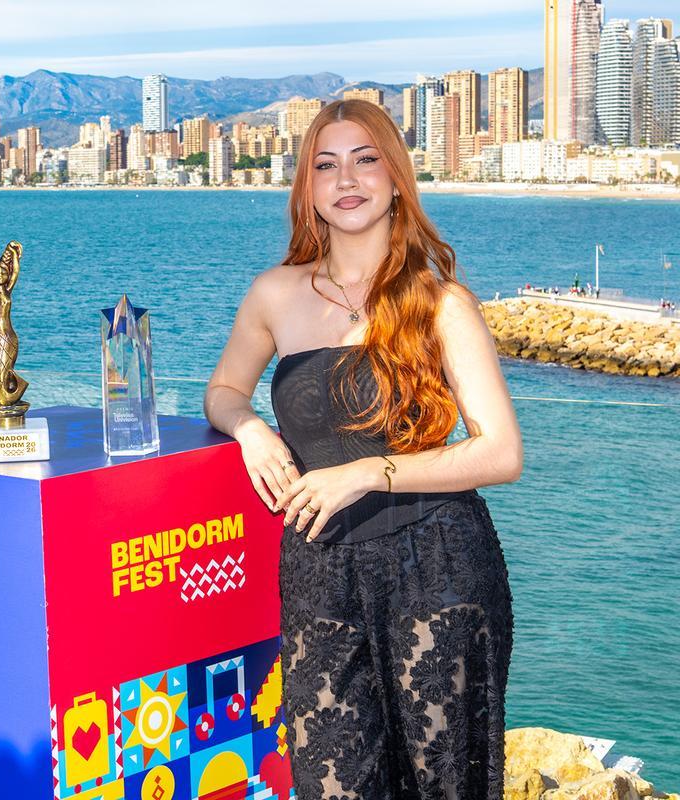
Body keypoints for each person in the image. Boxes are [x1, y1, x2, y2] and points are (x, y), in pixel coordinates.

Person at [204, 99, 521, 798]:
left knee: (447, 784)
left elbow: (500, 452)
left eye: (365, 159)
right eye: (326, 164)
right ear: (307, 188)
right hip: (317, 571)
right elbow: (224, 388)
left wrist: (367, 473)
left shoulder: (442, 303)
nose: (346, 178)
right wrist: (251, 428)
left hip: (436, 565)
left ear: (396, 177)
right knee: (334, 782)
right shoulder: (274, 294)